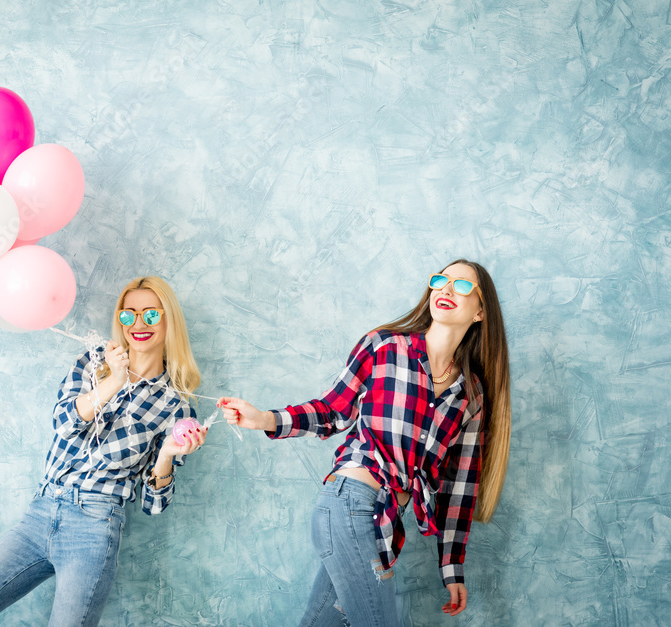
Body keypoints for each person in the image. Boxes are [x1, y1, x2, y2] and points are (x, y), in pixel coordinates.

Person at [219, 259, 511, 627]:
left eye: (463, 286)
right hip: (349, 505)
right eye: (441, 280)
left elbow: (459, 490)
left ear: (481, 311)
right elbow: (331, 410)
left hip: (387, 524)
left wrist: (451, 565)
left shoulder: (471, 396)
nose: (447, 289)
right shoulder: (385, 347)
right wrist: (265, 419)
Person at [0, 276, 207, 627]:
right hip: (40, 513)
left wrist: (167, 455)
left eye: (151, 315)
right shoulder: (95, 362)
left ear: (168, 320)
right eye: (129, 315)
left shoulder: (176, 405)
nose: (138, 324)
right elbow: (64, 424)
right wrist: (115, 379)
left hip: (94, 527)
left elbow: (153, 505)